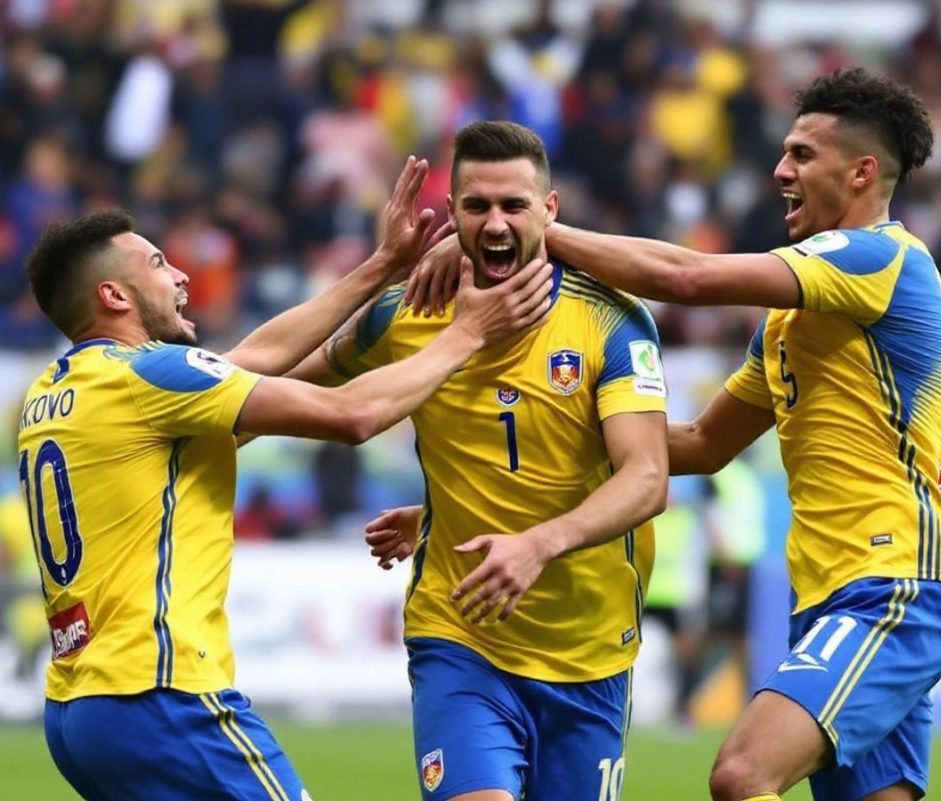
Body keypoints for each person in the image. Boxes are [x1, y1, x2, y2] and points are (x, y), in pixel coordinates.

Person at [411, 68, 941, 801]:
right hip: (832, 592)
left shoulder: (879, 257)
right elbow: (702, 443)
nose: (780, 170)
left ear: (862, 172)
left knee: (742, 774)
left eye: (803, 154)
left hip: (895, 585)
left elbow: (686, 277)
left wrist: (532, 234)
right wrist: (489, 475)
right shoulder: (793, 323)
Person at [17, 158, 552, 800]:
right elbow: (356, 415)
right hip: (159, 692)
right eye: (159, 265)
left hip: (78, 708)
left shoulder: (56, 393)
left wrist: (383, 264)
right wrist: (467, 332)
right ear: (115, 297)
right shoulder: (148, 375)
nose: (181, 274)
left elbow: (258, 358)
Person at [297, 120, 669, 801]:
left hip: (589, 657)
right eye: (476, 206)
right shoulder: (409, 312)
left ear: (549, 213)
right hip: (461, 637)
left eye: (514, 206)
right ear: (453, 214)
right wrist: (191, 419)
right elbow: (289, 377)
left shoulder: (611, 320)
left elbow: (646, 478)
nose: (495, 224)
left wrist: (537, 544)